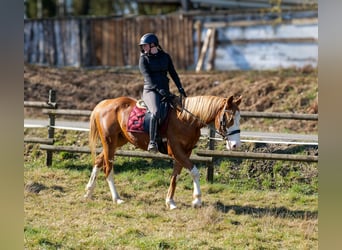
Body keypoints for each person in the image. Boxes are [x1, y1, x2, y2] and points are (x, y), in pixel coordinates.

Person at [138, 33, 187, 153]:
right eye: (143, 46)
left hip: (165, 90)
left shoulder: (165, 57)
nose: (143, 48)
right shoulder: (143, 59)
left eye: (145, 45)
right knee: (155, 112)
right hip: (151, 91)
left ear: (153, 44)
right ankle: (153, 142)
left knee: (179, 111)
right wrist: (159, 90)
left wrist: (180, 88)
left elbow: (173, 73)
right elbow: (148, 78)